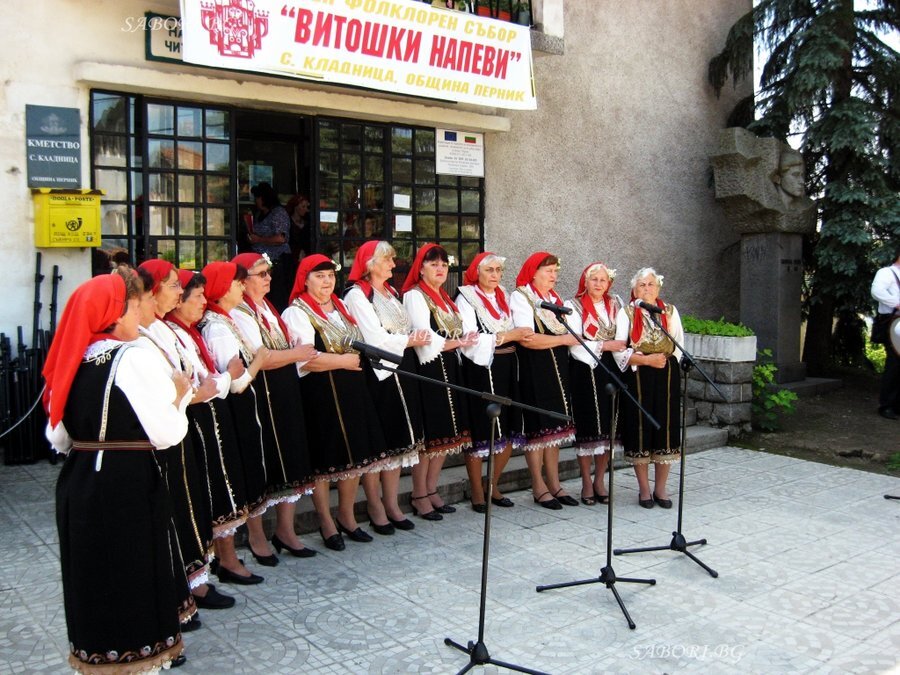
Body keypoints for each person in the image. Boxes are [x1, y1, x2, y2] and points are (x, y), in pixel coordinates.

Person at [45, 270, 194, 672]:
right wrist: (179, 397)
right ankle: (136, 660)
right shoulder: (131, 357)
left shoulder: (74, 357)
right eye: (133, 305)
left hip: (79, 480)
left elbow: (57, 437)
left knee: (91, 574)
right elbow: (167, 433)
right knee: (133, 571)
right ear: (116, 311)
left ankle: (98, 656)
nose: (139, 313)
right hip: (125, 481)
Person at [283, 254, 391, 549]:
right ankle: (325, 520)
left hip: (351, 389)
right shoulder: (297, 312)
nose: (327, 281)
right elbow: (305, 359)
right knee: (325, 457)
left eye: (330, 275)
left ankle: (346, 514)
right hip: (321, 391)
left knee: (353, 455)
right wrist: (343, 361)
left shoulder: (340, 306)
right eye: (319, 276)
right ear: (305, 280)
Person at [165, 269, 258, 608]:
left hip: (211, 417)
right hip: (197, 421)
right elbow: (200, 386)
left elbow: (210, 380)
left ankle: (219, 564)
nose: (204, 302)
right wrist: (226, 378)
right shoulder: (175, 334)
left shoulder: (189, 332)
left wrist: (219, 381)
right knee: (210, 490)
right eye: (197, 296)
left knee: (221, 487)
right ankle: (207, 572)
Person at [136, 260, 216, 621]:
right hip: (163, 433)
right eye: (172, 285)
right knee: (173, 510)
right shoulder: (140, 335)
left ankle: (193, 582)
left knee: (189, 505)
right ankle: (180, 590)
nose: (179, 292)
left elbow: (188, 375)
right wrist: (189, 392)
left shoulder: (162, 328)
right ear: (152, 291)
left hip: (180, 424)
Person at [230, 252, 320, 562]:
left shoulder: (268, 307)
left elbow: (284, 346)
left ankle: (286, 530)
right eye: (262, 274)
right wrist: (296, 354)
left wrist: (293, 352)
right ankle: (256, 536)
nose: (269, 278)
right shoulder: (240, 312)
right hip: (261, 392)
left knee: (291, 455)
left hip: (283, 390)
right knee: (263, 460)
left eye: (269, 272)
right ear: (243, 281)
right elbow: (261, 356)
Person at [344, 241, 429, 533]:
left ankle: (391, 503)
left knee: (401, 438)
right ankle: (375, 505)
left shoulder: (390, 292)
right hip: (379, 371)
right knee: (382, 442)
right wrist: (410, 340)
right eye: (388, 260)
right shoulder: (357, 295)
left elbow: (402, 327)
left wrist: (411, 338)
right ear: (371, 264)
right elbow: (374, 339)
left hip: (403, 365)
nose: (394, 265)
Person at [198, 261, 271, 584]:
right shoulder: (216, 327)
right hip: (229, 411)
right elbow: (236, 381)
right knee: (228, 483)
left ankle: (229, 557)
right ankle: (226, 559)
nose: (242, 288)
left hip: (235, 411)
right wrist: (259, 361)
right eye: (237, 283)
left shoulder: (226, 319)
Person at [402, 244, 476, 519]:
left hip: (449, 365)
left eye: (444, 265)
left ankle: (432, 488)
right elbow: (424, 335)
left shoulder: (444, 297)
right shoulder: (415, 295)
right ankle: (419, 493)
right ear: (420, 269)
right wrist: (458, 342)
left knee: (446, 434)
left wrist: (464, 342)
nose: (440, 269)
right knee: (430, 435)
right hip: (429, 368)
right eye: (433, 264)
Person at [456, 252, 533, 512]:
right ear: (476, 272)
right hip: (482, 368)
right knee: (482, 429)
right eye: (490, 270)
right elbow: (470, 339)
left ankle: (492, 483)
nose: (495, 275)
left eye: (499, 270)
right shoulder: (466, 297)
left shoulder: (504, 296)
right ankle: (477, 490)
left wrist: (517, 334)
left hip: (509, 365)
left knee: (510, 427)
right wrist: (509, 335)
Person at [510, 252, 579, 510]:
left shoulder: (554, 299)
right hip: (534, 368)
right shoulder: (522, 296)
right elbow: (527, 338)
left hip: (558, 367)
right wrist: (562, 340)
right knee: (538, 429)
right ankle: (538, 485)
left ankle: (555, 483)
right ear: (534, 272)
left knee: (555, 429)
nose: (554, 276)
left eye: (555, 271)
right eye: (548, 271)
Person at [613, 267, 684, 509]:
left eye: (651, 284)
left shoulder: (670, 311)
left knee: (666, 428)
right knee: (640, 429)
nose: (647, 289)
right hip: (638, 375)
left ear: (658, 288)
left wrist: (664, 362)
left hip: (666, 374)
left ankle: (661, 488)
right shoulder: (626, 313)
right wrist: (645, 360)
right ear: (634, 290)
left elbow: (678, 344)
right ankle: (644, 489)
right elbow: (619, 350)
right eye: (642, 285)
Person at [565, 263, 627, 505]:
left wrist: (615, 348)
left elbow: (623, 338)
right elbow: (575, 342)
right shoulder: (574, 306)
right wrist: (606, 345)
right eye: (594, 279)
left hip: (612, 368)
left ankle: (600, 480)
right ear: (586, 281)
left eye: (603, 280)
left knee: (609, 426)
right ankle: (586, 482)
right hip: (585, 370)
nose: (599, 284)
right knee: (588, 426)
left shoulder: (616, 304)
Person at [248, 182, 293, 310]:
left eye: (258, 198)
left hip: (277, 261)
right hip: (261, 261)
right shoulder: (259, 214)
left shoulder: (278, 213)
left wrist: (259, 239)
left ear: (264, 198)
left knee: (277, 295)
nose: (256, 201)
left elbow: (281, 238)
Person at [871, 250, 900, 420]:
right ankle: (886, 405)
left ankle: (897, 404)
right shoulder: (886, 273)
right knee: (894, 363)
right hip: (892, 323)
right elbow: (877, 292)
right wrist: (897, 303)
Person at [286, 193, 311, 264]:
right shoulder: (287, 222)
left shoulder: (308, 222)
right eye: (303, 206)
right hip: (291, 258)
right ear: (295, 207)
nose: (306, 210)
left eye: (307, 207)